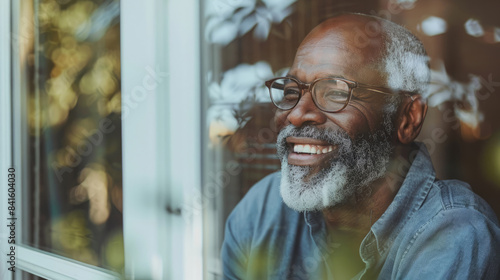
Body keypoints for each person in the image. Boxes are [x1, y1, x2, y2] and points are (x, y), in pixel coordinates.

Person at [221, 13, 500, 280]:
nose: (296, 114)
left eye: (335, 92)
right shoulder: (261, 211)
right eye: (292, 91)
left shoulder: (456, 233)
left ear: (406, 118)